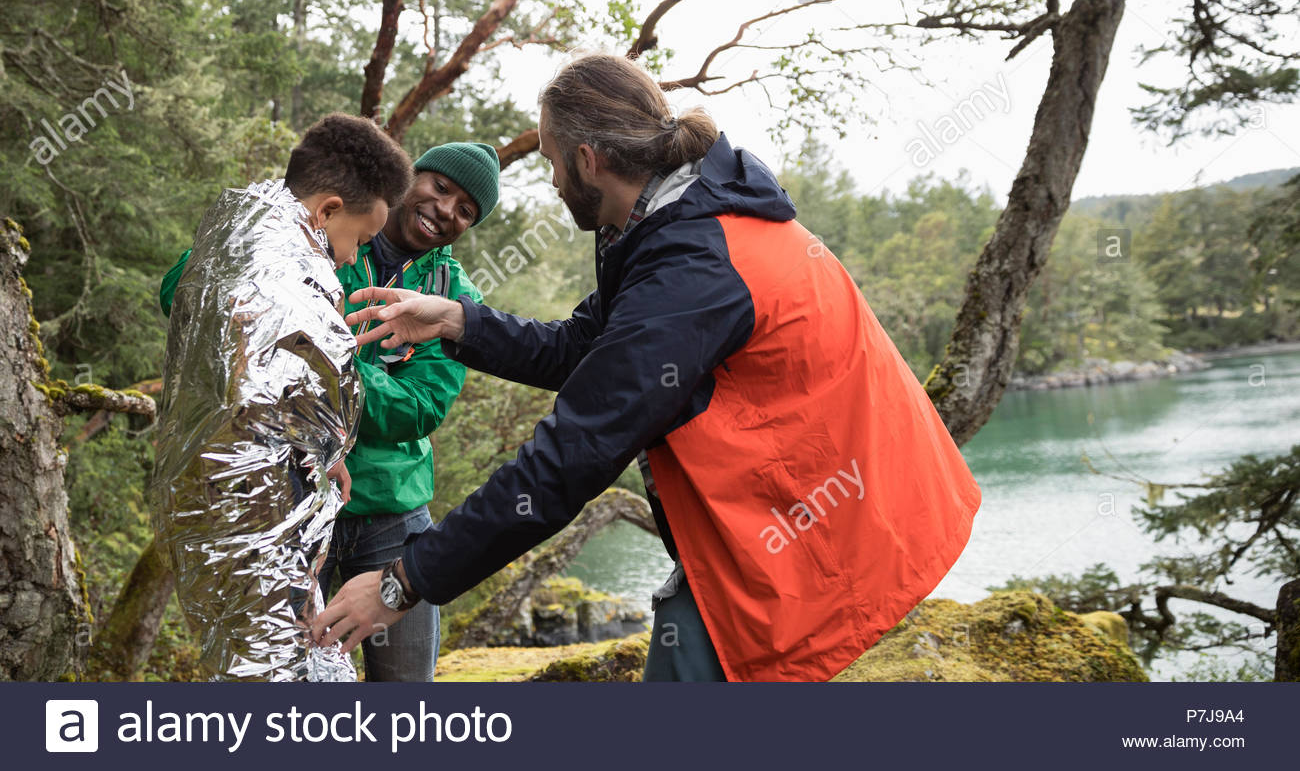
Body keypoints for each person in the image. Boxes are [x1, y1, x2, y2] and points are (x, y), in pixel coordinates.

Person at [313, 53, 982, 682]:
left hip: (830, 527)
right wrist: (458, 321)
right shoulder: (668, 226)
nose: (549, 180)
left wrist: (406, 581)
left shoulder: (696, 261)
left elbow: (577, 450)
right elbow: (584, 350)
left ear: (586, 158)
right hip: (774, 523)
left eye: (549, 160)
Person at [159, 139, 499, 682]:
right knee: (277, 674)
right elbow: (183, 293)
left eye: (466, 211)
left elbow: (418, 410)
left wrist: (319, 355)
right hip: (285, 496)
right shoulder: (304, 228)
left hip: (390, 511)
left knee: (406, 689)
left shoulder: (452, 297)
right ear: (412, 178)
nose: (446, 211)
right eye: (440, 188)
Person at [151, 112, 412, 681]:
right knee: (272, 665)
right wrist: (329, 443)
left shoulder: (240, 228)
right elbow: (270, 384)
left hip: (218, 488)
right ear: (327, 211)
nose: (350, 257)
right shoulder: (279, 265)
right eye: (359, 240)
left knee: (263, 652)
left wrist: (328, 452)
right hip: (254, 498)